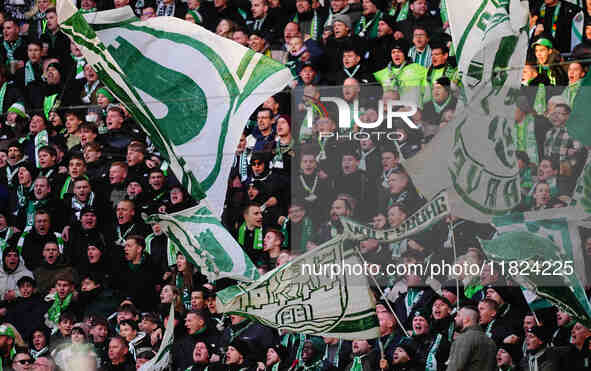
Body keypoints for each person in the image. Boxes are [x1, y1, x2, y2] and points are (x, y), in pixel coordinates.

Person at [446, 306, 496, 371]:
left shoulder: (463, 338)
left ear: (466, 319)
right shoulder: (490, 341)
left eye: (458, 315)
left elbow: (454, 368)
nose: (455, 318)